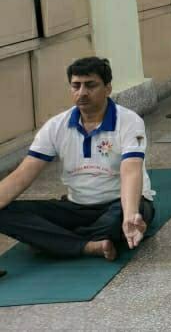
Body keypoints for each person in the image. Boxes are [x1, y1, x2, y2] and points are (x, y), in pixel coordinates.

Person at [0, 57, 152, 261]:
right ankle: (88, 245)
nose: (82, 92)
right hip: (76, 207)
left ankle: (54, 241)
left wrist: (130, 214)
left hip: (120, 203)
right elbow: (22, 175)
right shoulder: (56, 126)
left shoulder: (129, 121)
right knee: (4, 212)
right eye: (76, 86)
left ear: (108, 88)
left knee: (117, 221)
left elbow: (131, 171)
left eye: (90, 85)